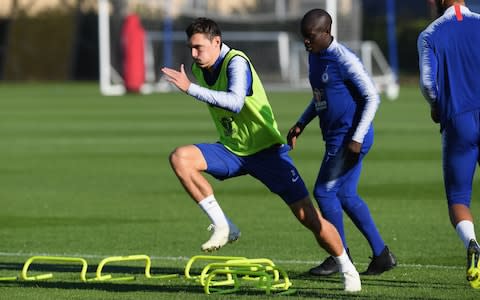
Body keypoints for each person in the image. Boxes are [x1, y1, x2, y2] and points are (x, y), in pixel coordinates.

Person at [161, 17, 361, 292]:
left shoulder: (236, 62)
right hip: (232, 149)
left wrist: (190, 89)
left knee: (309, 218)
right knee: (180, 158)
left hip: (267, 153)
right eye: (191, 48)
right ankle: (223, 224)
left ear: (216, 42)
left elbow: (235, 101)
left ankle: (347, 267)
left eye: (198, 47)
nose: (193, 54)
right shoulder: (199, 67)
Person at [287, 8, 397, 276]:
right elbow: (320, 97)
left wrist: (357, 138)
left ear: (327, 32)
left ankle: (340, 257)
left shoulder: (344, 59)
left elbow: (372, 96)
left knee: (324, 192)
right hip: (337, 137)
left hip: (349, 138)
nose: (306, 41)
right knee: (345, 195)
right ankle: (382, 256)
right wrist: (302, 122)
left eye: (311, 36)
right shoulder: (315, 56)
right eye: (304, 36)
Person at [418, 0, 480, 289]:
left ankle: (472, 243)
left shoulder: (430, 34)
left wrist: (436, 106)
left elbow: (429, 84)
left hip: (457, 120)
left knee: (458, 199)